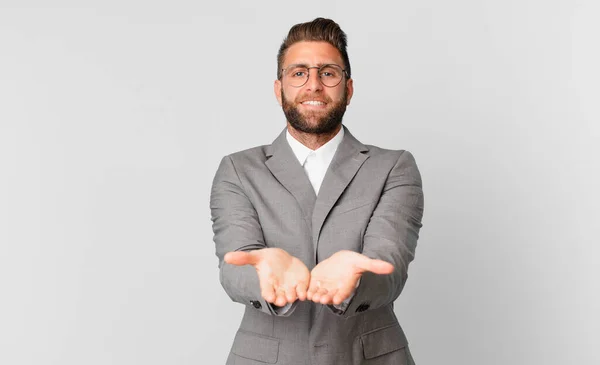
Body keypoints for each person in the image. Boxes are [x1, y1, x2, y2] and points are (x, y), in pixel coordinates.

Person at [210, 17, 424, 365]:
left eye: (328, 72)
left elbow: (391, 268)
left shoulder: (394, 167)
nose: (313, 85)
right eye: (299, 73)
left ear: (348, 89)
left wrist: (355, 280)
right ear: (279, 89)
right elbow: (235, 267)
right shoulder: (237, 170)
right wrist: (266, 279)